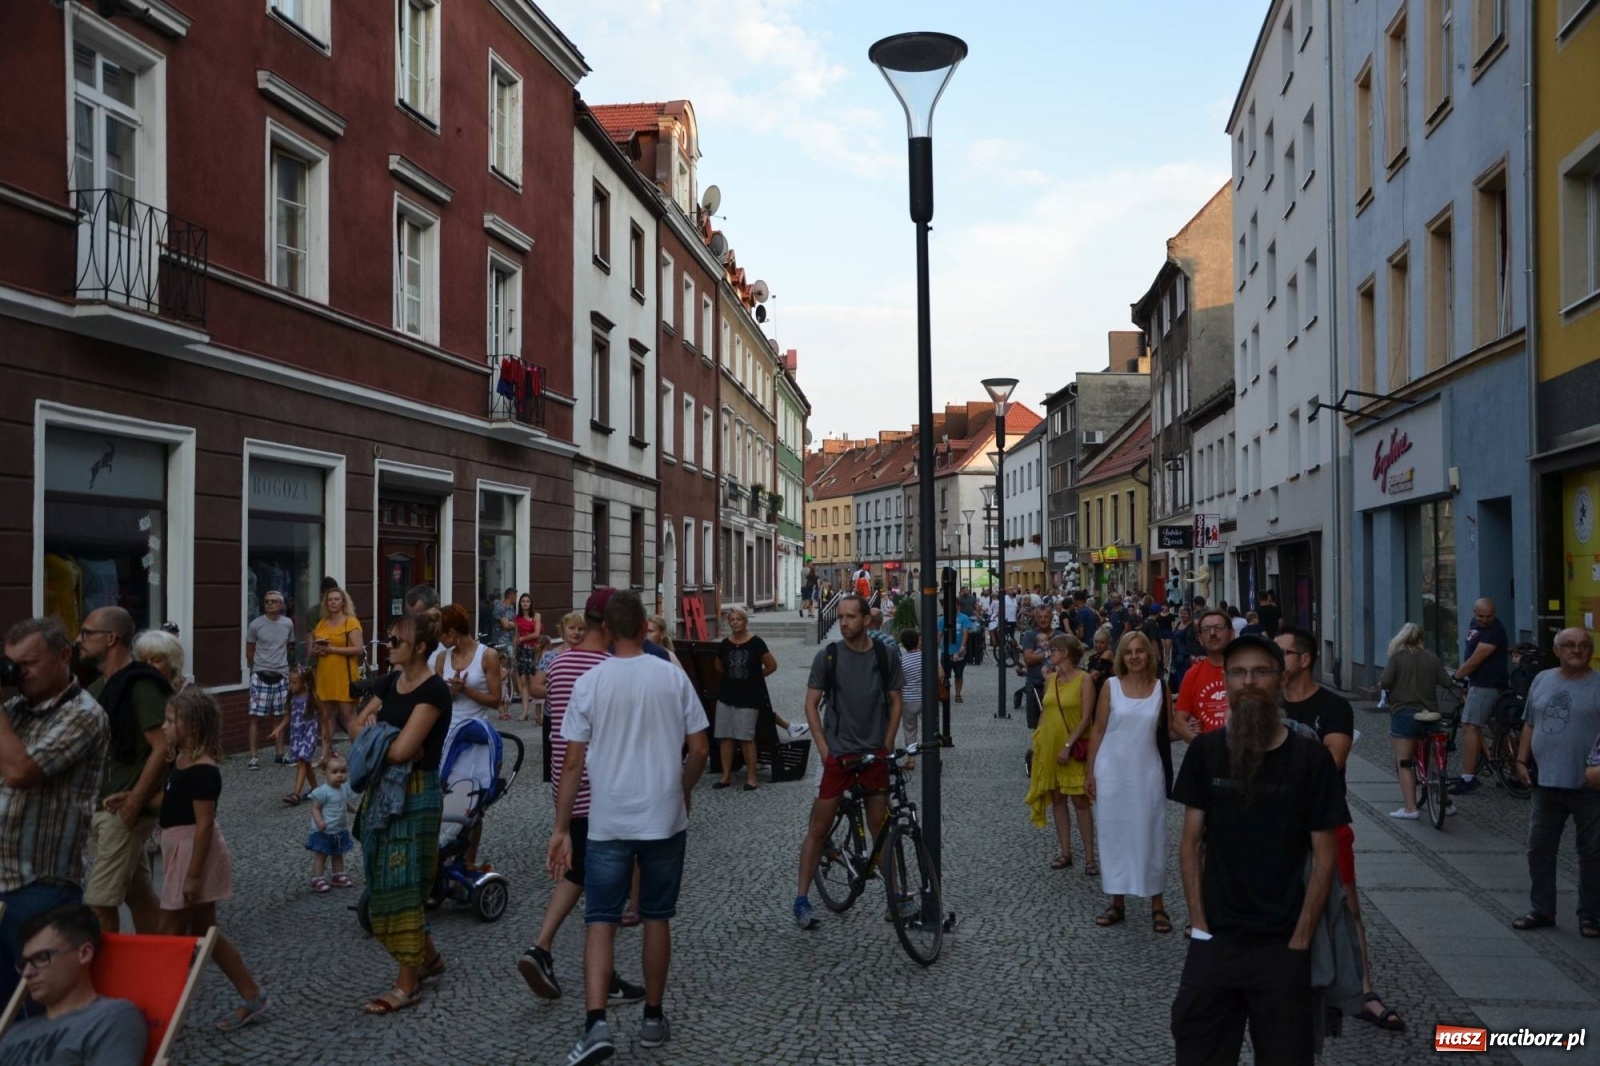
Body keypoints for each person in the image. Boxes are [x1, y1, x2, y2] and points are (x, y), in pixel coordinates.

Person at [1170, 635, 1348, 1066]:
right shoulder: (1206, 753)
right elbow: (1191, 844)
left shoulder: (1310, 760)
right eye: (1238, 673)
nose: (1248, 681)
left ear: (1281, 679)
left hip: (1282, 945)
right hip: (1217, 940)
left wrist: (1302, 939)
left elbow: (1326, 856)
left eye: (1260, 671)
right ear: (1226, 681)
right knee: (1198, 1050)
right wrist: (1199, 926)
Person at [549, 591, 709, 1062]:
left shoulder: (590, 683)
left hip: (607, 819)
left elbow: (573, 763)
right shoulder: (671, 676)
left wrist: (561, 827)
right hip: (663, 816)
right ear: (643, 628)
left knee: (600, 920)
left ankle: (596, 1024)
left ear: (608, 631)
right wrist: (683, 789)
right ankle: (653, 1018)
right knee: (657, 917)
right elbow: (699, 749)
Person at [517, 591, 645, 1006]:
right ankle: (559, 956)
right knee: (605, 887)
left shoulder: (558, 664)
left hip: (566, 789)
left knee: (581, 877)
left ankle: (554, 953)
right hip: (603, 791)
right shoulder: (610, 668)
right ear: (610, 625)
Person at [1277, 626, 1405, 1031]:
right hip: (1273, 825)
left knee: (1347, 906)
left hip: (1324, 823)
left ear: (1304, 658)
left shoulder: (1333, 707)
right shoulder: (1268, 704)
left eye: (1281, 653)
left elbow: (1329, 764)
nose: (1273, 661)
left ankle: (1364, 990)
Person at [0, 620, 109, 1005]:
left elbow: (19, 773)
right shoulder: (13, 711)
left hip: (43, 886)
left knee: (31, 1006)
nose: (18, 673)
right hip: (3, 880)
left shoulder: (84, 714)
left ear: (64, 657)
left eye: (28, 663)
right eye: (11, 664)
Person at [352, 609, 448, 1015]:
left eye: (396, 641)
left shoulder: (434, 691)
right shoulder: (389, 682)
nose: (388, 647)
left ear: (420, 648)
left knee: (405, 881)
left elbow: (404, 751)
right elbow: (356, 727)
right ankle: (429, 958)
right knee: (381, 875)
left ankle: (406, 983)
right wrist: (382, 735)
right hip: (382, 792)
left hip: (416, 794)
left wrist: (380, 735)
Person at [157, 689, 269, 1030]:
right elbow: (174, 803)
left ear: (190, 726)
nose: (163, 726)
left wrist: (192, 875)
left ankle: (155, 1009)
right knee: (206, 930)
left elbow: (203, 824)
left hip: (193, 852)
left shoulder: (204, 770)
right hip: (179, 847)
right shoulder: (180, 760)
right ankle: (252, 995)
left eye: (170, 721)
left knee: (168, 932)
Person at [793, 595, 903, 931]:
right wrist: (824, 750)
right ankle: (801, 900)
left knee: (879, 827)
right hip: (839, 755)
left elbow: (897, 701)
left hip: (873, 753)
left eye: (851, 617)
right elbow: (811, 704)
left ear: (867, 620)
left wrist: (886, 744)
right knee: (818, 828)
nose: (844, 623)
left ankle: (896, 897)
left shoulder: (885, 656)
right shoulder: (828, 656)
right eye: (840, 617)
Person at [75, 606, 169, 937]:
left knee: (99, 902)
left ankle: (107, 980)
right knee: (137, 890)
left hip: (122, 810)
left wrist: (135, 801)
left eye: (87, 633)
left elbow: (164, 747)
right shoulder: (99, 687)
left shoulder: (141, 685)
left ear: (111, 638)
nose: (79, 640)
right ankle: (160, 961)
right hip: (100, 806)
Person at [1512, 627, 1600, 939]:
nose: (1577, 650)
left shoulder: (1598, 684)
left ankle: (1590, 916)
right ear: (1558, 650)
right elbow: (1530, 723)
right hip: (1545, 781)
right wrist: (1521, 760)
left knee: (1592, 853)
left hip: (1589, 788)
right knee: (1539, 849)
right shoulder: (1543, 679)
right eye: (1570, 645)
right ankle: (1542, 910)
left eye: (1583, 645)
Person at [1086, 631, 1175, 931]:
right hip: (1112, 771)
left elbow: (1170, 729)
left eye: (1140, 651)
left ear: (1150, 655)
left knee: (1152, 834)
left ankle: (1157, 904)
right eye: (1129, 652)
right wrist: (1089, 772)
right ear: (1121, 657)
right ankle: (1117, 901)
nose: (1135, 656)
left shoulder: (1161, 688)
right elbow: (1097, 730)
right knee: (1113, 836)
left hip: (1148, 772)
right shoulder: (1111, 687)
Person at [0, 905, 146, 1063]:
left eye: (42, 957)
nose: (27, 973)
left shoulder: (111, 1017)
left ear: (84, 954)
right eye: (24, 963)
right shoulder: (14, 1033)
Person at [1027, 634, 1096, 872]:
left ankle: (1089, 857)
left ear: (1065, 653)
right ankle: (1065, 852)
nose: (1050, 652)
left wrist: (1068, 745)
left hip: (1073, 748)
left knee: (1080, 801)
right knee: (1057, 799)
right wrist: (1037, 740)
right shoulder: (1051, 679)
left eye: (1054, 649)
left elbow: (1087, 717)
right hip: (1049, 746)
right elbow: (1045, 711)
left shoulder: (1084, 680)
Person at [1379, 623, 1455, 819]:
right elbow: (1447, 682)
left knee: (1404, 762)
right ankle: (1445, 803)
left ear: (1402, 639)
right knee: (1436, 761)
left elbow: (1385, 682)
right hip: (1431, 714)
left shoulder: (1397, 658)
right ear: (1422, 638)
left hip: (1404, 713)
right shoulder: (1432, 658)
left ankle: (1411, 809)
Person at [712, 607, 776, 792]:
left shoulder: (756, 643)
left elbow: (772, 665)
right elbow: (718, 665)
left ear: (745, 621)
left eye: (738, 619)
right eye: (732, 619)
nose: (735, 622)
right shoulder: (725, 644)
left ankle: (751, 777)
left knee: (746, 737)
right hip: (727, 696)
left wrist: (754, 678)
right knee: (726, 736)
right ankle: (725, 776)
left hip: (749, 697)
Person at [1450, 598, 1510, 796]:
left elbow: (1477, 658)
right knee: (1496, 726)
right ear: (1474, 613)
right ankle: (1510, 770)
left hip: (1486, 684)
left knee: (1470, 726)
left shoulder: (1495, 630)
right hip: (1480, 682)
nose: (1485, 620)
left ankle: (1468, 777)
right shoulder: (1474, 624)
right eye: (1481, 616)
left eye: (1489, 616)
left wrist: (1457, 675)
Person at [433, 604, 504, 756]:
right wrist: (450, 693)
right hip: (446, 733)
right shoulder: (442, 658)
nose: (439, 640)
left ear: (452, 633)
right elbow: (436, 701)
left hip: (475, 734)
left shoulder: (487, 655)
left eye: (440, 634)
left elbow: (496, 701)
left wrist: (465, 690)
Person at [310, 586, 364, 765]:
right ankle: (325, 755)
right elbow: (313, 648)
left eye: (336, 599)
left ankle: (358, 753)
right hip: (325, 674)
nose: (333, 602)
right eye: (330, 600)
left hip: (344, 676)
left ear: (343, 602)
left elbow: (358, 648)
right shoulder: (322, 623)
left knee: (349, 716)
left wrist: (332, 649)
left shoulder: (351, 622)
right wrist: (318, 650)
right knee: (326, 716)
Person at [246, 590, 295, 768]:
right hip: (260, 675)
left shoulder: (288, 624)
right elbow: (249, 650)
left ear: (281, 605)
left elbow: (288, 646)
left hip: (281, 674)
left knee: (280, 716)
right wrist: (257, 667)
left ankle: (280, 753)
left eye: (274, 601)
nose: (270, 604)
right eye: (267, 601)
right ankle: (253, 756)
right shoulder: (255, 625)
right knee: (256, 717)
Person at [1175, 609, 1232, 737]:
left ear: (1231, 634)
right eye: (1206, 629)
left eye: (1218, 627)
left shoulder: (1247, 669)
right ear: (1200, 639)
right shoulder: (1192, 675)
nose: (1212, 633)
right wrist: (1201, 747)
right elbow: (1179, 722)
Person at [304, 754, 356, 894]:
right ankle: (318, 878)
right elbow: (315, 808)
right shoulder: (323, 792)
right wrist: (319, 821)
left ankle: (338, 875)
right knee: (321, 855)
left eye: (343, 772)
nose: (339, 775)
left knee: (338, 854)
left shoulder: (344, 788)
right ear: (325, 773)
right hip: (324, 830)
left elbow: (344, 802)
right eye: (334, 772)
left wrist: (352, 809)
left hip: (339, 829)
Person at [269, 668, 321, 807]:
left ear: (304, 683)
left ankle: (296, 794)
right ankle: (316, 789)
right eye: (290, 682)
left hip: (309, 734)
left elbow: (323, 714)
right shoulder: (292, 698)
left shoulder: (312, 697)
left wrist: (326, 732)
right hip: (296, 735)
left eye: (294, 682)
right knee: (306, 763)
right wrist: (278, 730)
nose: (290, 685)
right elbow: (288, 717)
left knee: (301, 761)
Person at [513, 594, 543, 722]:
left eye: (527, 601)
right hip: (521, 650)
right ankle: (525, 710)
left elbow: (537, 633)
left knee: (534, 680)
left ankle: (538, 712)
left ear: (531, 603)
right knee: (523, 681)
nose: (525, 603)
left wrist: (523, 639)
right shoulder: (517, 618)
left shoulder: (536, 616)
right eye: (523, 601)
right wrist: (514, 653)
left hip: (533, 650)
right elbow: (516, 636)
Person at [131, 629, 188, 694]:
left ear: (172, 662)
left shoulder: (189, 695)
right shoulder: (133, 689)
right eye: (143, 660)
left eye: (156, 660)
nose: (148, 665)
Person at [937, 605, 971, 704]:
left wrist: (962, 647)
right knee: (944, 676)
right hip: (946, 651)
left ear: (958, 607)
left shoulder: (963, 618)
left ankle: (958, 694)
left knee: (959, 674)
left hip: (959, 652)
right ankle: (944, 694)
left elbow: (965, 633)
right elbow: (939, 634)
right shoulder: (942, 619)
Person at [1168, 606, 1194, 691]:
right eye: (1181, 613)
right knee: (1175, 675)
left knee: (1184, 676)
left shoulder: (1192, 626)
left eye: (1185, 613)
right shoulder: (1179, 623)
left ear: (1189, 614)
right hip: (1176, 655)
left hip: (1185, 657)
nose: (1183, 615)